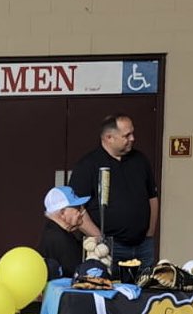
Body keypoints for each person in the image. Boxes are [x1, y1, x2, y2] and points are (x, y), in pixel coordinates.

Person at [68, 114, 159, 271]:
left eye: (132, 133)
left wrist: (149, 234)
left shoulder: (140, 160)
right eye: (126, 135)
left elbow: (152, 198)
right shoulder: (87, 165)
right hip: (108, 248)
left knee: (146, 292)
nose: (132, 138)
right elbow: (75, 207)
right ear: (109, 137)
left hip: (143, 246)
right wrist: (101, 239)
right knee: (110, 292)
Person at [38, 185, 93, 279]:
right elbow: (76, 274)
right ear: (62, 213)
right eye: (77, 208)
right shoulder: (58, 237)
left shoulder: (54, 230)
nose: (81, 213)